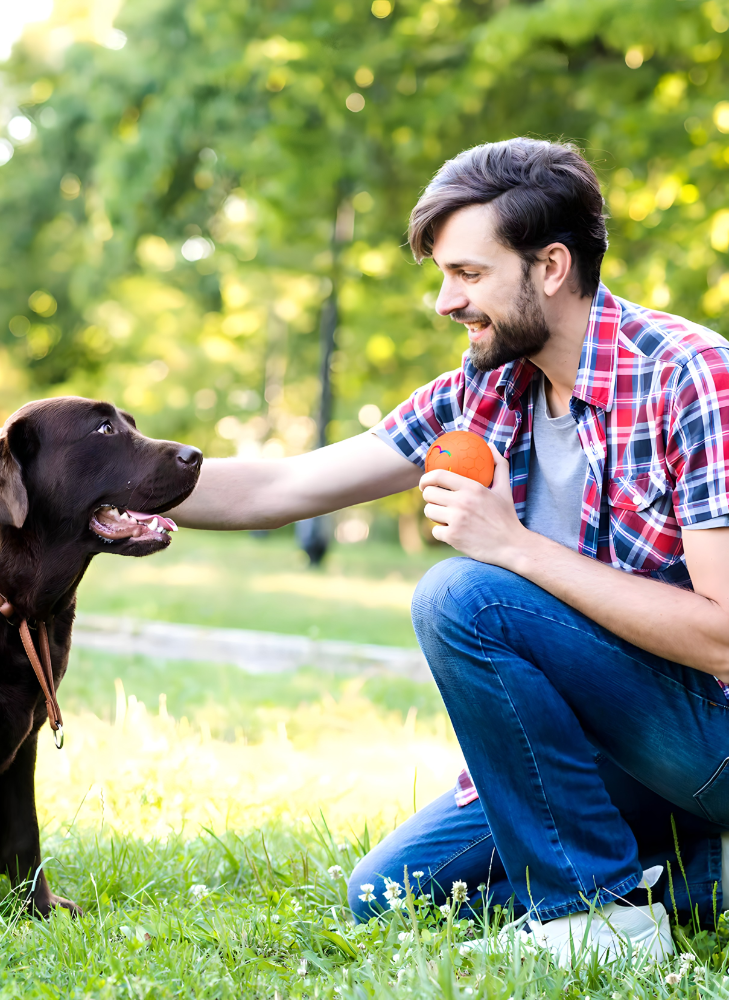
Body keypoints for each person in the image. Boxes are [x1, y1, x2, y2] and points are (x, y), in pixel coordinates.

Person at [168, 137, 729, 962]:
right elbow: (277, 490)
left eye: (468, 275)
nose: (445, 303)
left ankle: (595, 921)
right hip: (620, 759)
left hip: (709, 737)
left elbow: (722, 635)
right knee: (390, 894)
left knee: (463, 594)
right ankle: (702, 878)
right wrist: (102, 488)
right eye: (443, 275)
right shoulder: (485, 388)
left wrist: (516, 547)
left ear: (550, 267)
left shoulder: (692, 376)